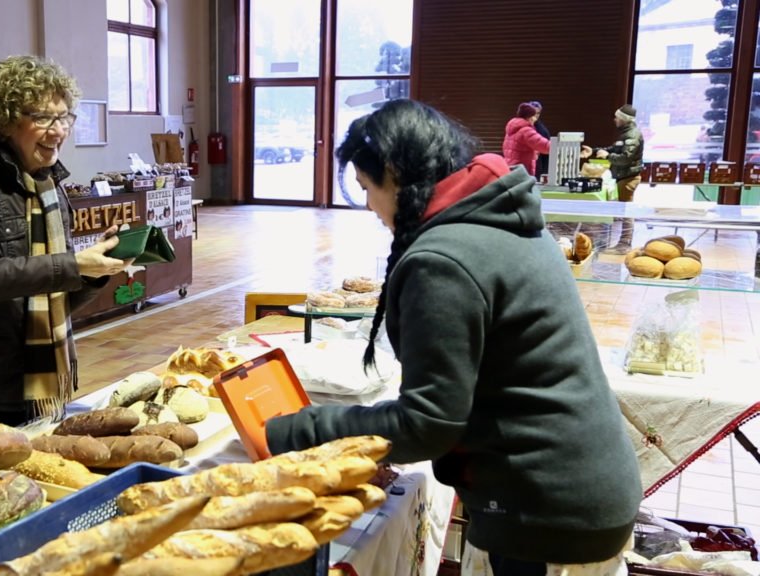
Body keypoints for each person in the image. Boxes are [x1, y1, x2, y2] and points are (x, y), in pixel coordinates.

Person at [265, 99, 642, 575]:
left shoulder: (443, 260)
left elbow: (428, 423)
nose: (367, 204)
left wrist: (296, 430)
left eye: (366, 187)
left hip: (548, 506)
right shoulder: (502, 218)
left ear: (394, 173)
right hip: (584, 484)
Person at [0, 55, 133, 425]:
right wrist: (73, 265)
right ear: (6, 119)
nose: (58, 130)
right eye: (43, 117)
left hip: (37, 385)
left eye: (64, 117)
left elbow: (50, 297)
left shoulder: (46, 184)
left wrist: (93, 271)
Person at [582, 104, 644, 254]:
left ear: (624, 119)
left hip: (628, 178)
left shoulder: (632, 136)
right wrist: (595, 151)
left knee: (626, 211)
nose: (614, 119)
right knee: (624, 210)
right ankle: (623, 243)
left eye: (617, 117)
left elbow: (625, 158)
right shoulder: (626, 134)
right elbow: (614, 149)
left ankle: (624, 244)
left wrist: (608, 156)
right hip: (623, 177)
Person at [502, 102, 550, 177]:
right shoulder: (526, 130)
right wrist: (557, 146)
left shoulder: (512, 128)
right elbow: (544, 146)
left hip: (510, 169)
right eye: (533, 115)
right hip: (522, 171)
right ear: (529, 117)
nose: (535, 119)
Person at [530, 101, 552, 178]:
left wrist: (545, 172)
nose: (535, 115)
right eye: (533, 112)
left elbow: (547, 154)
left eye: (538, 113)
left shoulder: (541, 130)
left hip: (537, 169)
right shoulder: (525, 127)